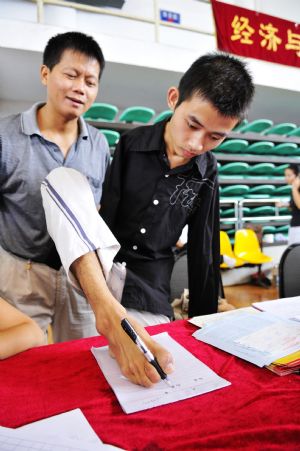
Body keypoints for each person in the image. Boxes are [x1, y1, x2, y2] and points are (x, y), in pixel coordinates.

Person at [41, 52, 254, 387]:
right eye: (193, 125)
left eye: (215, 137)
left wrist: (204, 325)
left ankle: (116, 319)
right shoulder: (132, 142)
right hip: (104, 267)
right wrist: (94, 277)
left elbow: (203, 248)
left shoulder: (208, 171)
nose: (197, 144)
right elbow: (107, 213)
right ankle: (110, 315)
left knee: (153, 375)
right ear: (174, 99)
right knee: (63, 179)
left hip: (149, 286)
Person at [0, 31, 110, 342]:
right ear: (46, 74)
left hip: (79, 275)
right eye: (71, 75)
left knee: (83, 360)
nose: (80, 88)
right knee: (25, 361)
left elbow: (96, 210)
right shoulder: (5, 137)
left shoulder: (99, 144)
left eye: (90, 81)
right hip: (23, 273)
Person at [278, 164, 300, 244]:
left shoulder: (296, 188)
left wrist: (295, 189)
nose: (286, 178)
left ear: (297, 175)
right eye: (285, 175)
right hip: (294, 225)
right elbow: (294, 206)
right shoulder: (294, 188)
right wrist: (285, 204)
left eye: (289, 175)